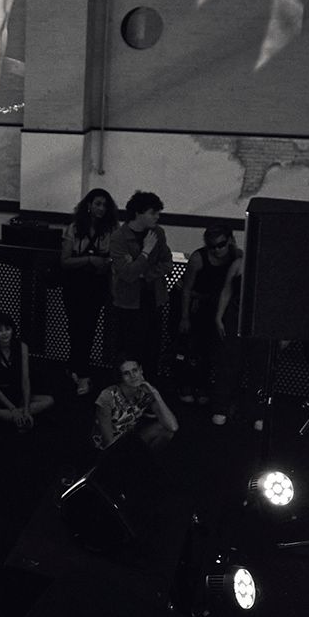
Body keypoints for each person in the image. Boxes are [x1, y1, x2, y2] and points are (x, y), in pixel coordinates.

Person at [60, 189, 118, 396]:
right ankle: (78, 369)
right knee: (75, 328)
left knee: (88, 329)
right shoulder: (74, 229)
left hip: (96, 286)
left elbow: (114, 259)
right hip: (75, 284)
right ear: (89, 205)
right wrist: (90, 260)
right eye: (98, 204)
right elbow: (64, 261)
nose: (101, 209)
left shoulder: (110, 230)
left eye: (104, 205)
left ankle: (79, 371)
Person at [109, 190, 173, 375]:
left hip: (153, 298)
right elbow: (127, 274)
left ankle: (149, 390)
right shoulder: (119, 237)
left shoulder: (157, 233)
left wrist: (144, 273)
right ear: (138, 213)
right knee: (129, 350)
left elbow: (167, 262)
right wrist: (145, 252)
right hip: (128, 303)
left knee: (152, 349)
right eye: (153, 213)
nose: (157, 217)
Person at [175, 225, 238, 408]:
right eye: (213, 246)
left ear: (230, 241)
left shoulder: (237, 256)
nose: (217, 250)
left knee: (213, 349)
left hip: (218, 306)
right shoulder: (198, 258)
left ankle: (202, 386)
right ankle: (186, 385)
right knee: (192, 347)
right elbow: (186, 289)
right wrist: (185, 316)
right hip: (198, 304)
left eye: (221, 245)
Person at [0, 312, 53, 434]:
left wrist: (27, 410)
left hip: (17, 394)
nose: (4, 333)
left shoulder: (22, 347)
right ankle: (13, 417)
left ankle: (7, 416)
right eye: (0, 330)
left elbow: (25, 380)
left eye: (7, 329)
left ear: (12, 330)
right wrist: (13, 409)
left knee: (49, 401)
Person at [92, 358, 178, 457]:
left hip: (128, 441)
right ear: (121, 377)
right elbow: (108, 441)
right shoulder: (108, 396)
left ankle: (145, 463)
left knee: (166, 430)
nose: (133, 376)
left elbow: (173, 427)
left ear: (141, 370)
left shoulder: (145, 392)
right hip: (105, 448)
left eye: (135, 370)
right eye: (126, 373)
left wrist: (155, 393)